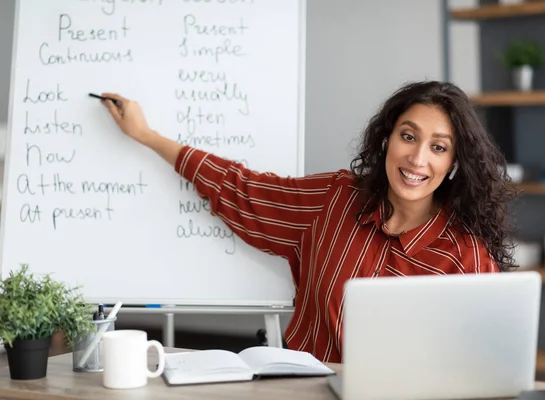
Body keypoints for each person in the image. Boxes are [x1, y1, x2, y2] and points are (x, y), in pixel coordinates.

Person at [99, 80, 518, 363]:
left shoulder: (467, 259)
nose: (417, 158)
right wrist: (147, 136)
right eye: (408, 136)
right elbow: (241, 189)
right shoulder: (334, 200)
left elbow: (480, 368)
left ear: (454, 163)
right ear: (387, 138)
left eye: (438, 147)